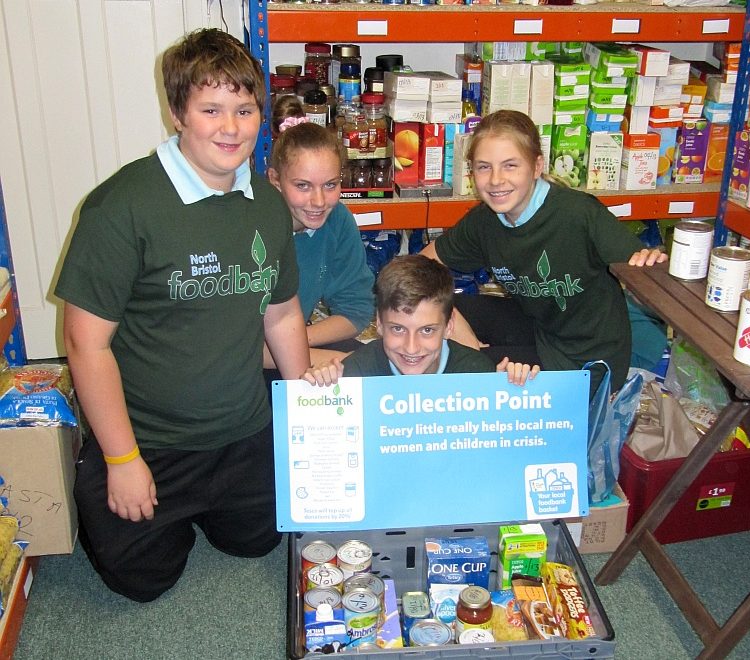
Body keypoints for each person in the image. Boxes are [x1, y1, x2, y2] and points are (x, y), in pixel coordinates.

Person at [54, 28, 310, 602]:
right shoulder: (121, 206)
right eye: (211, 109)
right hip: (151, 441)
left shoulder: (267, 203)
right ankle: (108, 475)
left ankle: (210, 507)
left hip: (242, 431)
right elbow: (84, 344)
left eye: (245, 110)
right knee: (142, 580)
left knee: (260, 542)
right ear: (177, 113)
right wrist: (122, 460)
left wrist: (308, 415)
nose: (231, 127)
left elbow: (283, 312)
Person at [420, 110, 667, 394]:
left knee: (453, 366)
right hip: (542, 329)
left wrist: (652, 262)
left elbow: (645, 271)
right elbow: (420, 267)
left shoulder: (578, 214)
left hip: (588, 363)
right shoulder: (485, 221)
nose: (496, 180)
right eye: (484, 167)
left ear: (537, 167)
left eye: (510, 165)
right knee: (434, 318)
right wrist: (464, 335)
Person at [303, 254, 538, 386]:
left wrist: (510, 395)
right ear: (380, 325)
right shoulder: (358, 373)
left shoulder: (475, 373)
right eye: (398, 329)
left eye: (427, 330)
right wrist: (320, 390)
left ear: (449, 327)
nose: (411, 347)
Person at [266, 120, 375, 368]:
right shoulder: (257, 231)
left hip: (291, 344)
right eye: (303, 186)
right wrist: (342, 363)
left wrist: (297, 339)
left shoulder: (337, 220)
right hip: (248, 362)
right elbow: (244, 349)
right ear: (275, 180)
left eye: (330, 185)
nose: (318, 201)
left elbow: (355, 310)